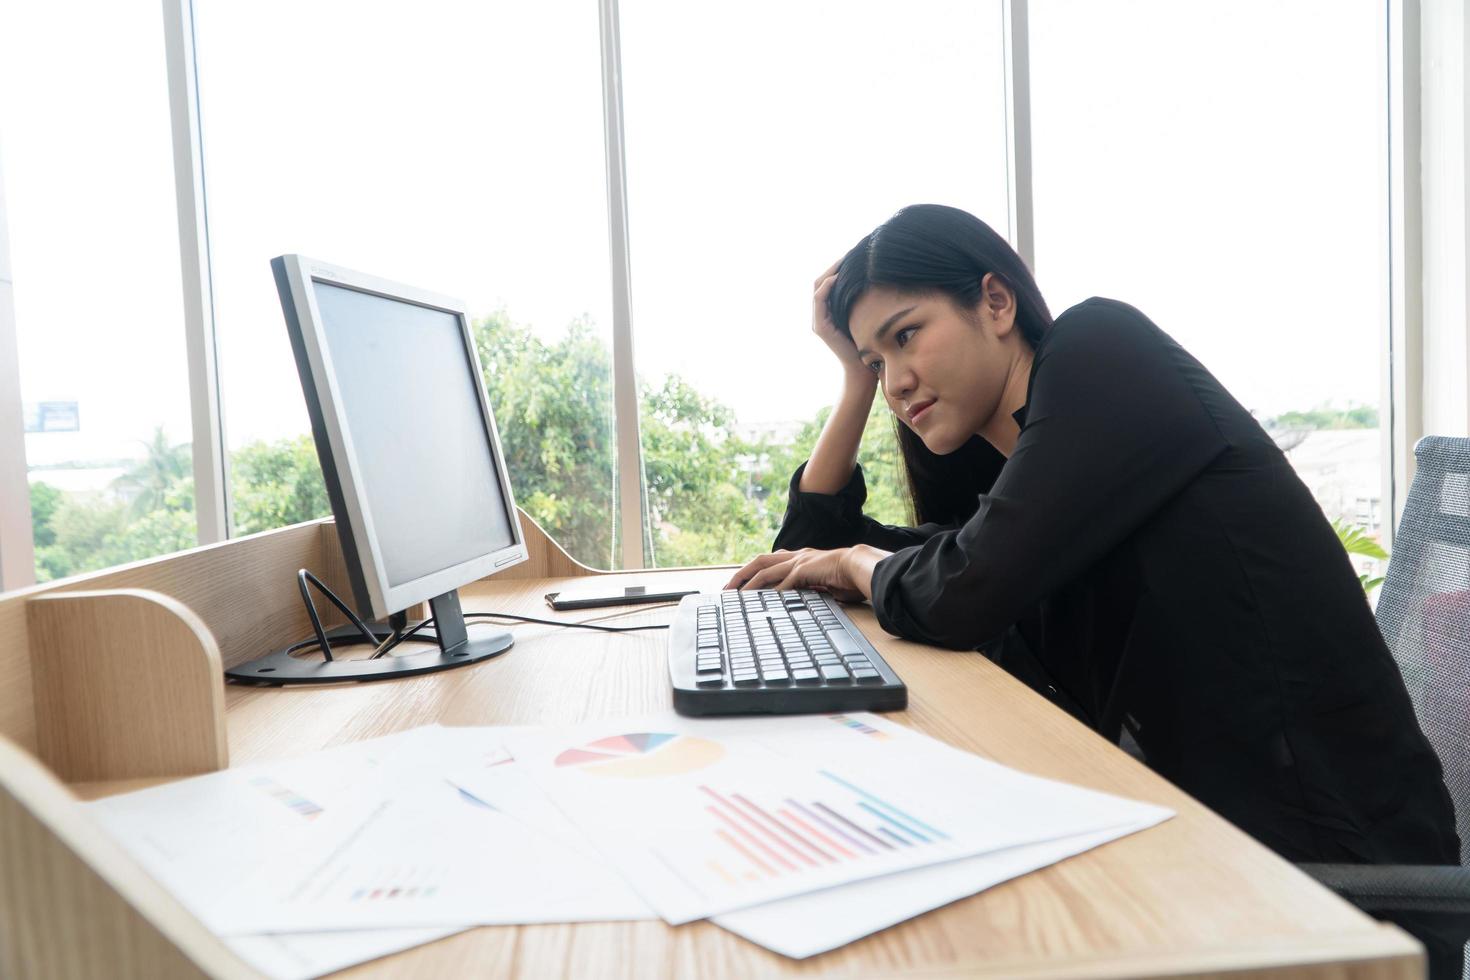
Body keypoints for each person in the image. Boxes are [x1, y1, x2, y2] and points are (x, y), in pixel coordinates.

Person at [727, 204, 1461, 975]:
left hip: (1327, 883)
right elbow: (809, 556)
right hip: (1196, 842)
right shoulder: (1030, 479)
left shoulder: (1104, 351)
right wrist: (849, 381)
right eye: (877, 363)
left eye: (906, 336)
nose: (895, 382)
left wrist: (852, 565)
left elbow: (953, 591)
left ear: (996, 302)